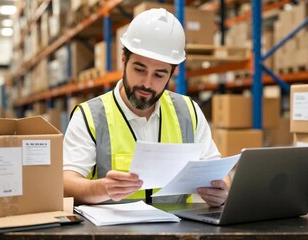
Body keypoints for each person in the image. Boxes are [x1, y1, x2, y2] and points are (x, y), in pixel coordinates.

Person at [63, 8, 230, 207]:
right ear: (124, 62)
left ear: (171, 74)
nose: (147, 84)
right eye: (140, 69)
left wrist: (222, 190)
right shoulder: (90, 116)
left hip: (177, 231)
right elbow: (66, 184)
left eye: (159, 75)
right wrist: (102, 188)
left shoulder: (189, 112)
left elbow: (217, 172)